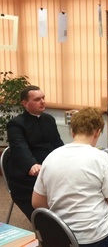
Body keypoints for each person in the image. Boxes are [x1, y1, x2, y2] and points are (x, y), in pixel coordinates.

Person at [32, 107, 108, 246]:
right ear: (97, 133)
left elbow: (37, 202)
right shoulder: (102, 158)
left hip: (59, 235)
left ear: (72, 132)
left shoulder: (51, 157)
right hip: (95, 238)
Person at [6, 85, 63, 221]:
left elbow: (57, 143)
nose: (42, 102)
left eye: (43, 98)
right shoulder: (16, 124)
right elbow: (20, 148)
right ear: (25, 103)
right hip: (28, 173)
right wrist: (32, 165)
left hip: (50, 167)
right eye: (37, 99)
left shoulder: (49, 119)